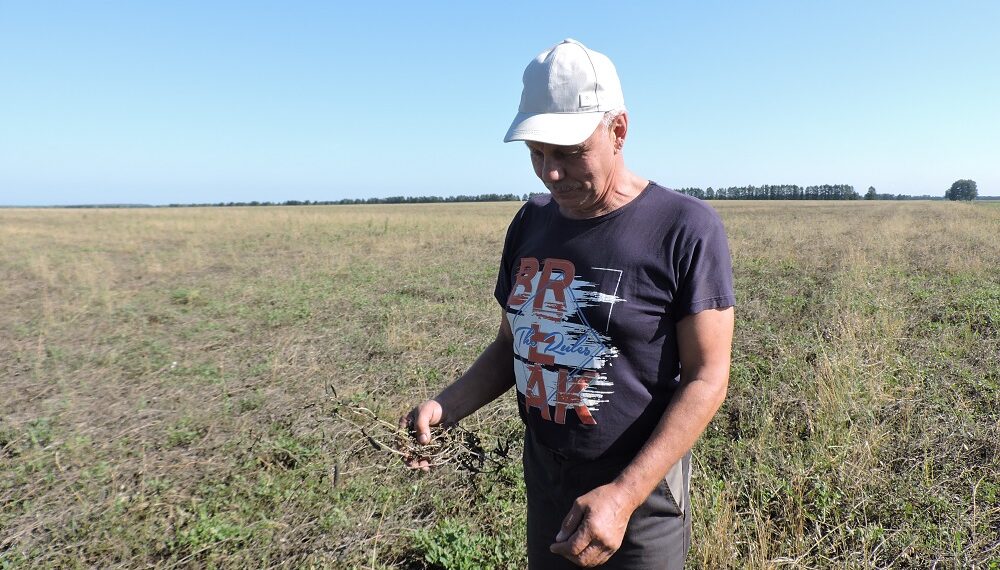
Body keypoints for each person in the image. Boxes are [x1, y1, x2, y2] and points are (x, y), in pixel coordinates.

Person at [400, 38, 735, 568]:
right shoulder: (530, 222)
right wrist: (447, 407)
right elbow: (513, 344)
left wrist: (623, 495)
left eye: (569, 153)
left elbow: (708, 377)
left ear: (618, 129)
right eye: (537, 153)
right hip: (548, 479)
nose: (550, 174)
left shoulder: (685, 228)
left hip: (641, 494)